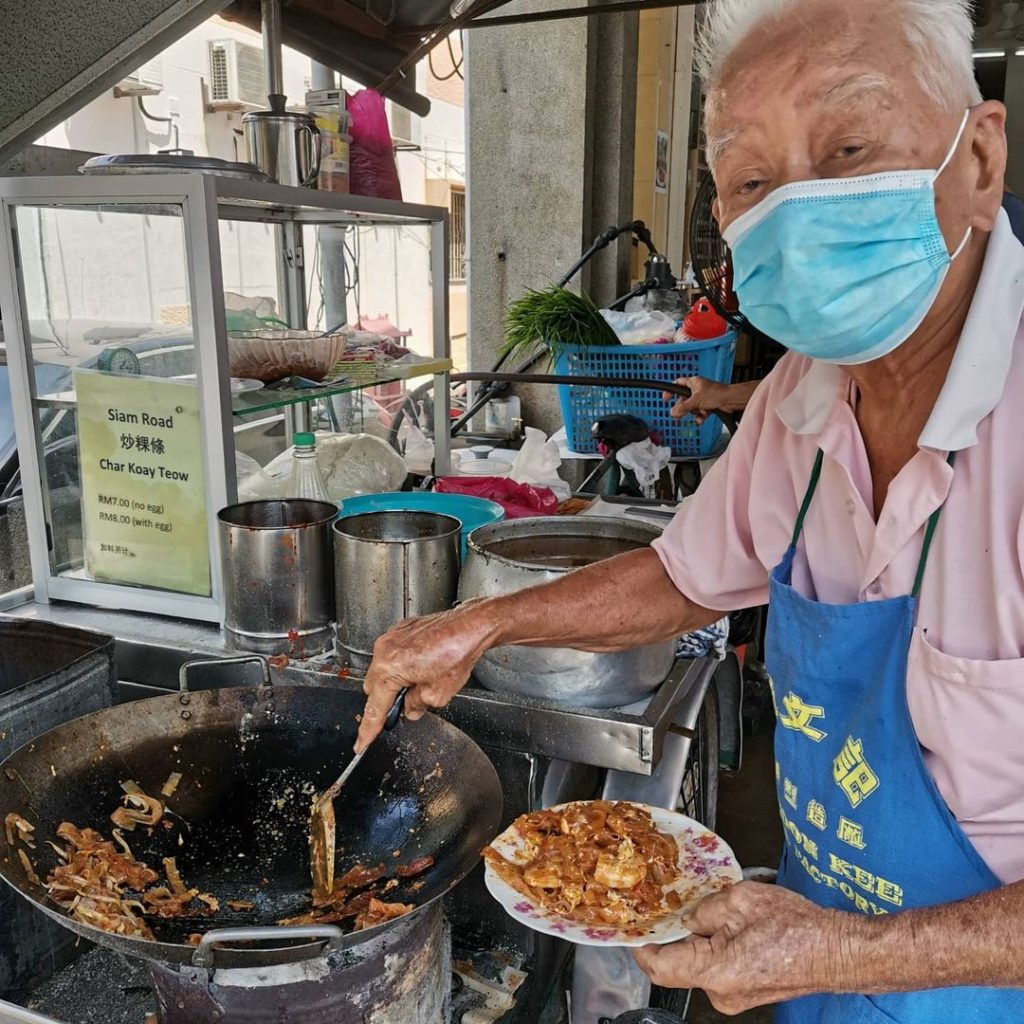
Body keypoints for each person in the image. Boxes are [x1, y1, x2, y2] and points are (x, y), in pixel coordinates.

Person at [357, 0, 1024, 1018]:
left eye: (848, 145)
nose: (797, 214)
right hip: (821, 971)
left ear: (979, 159)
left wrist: (851, 951)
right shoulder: (801, 397)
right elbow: (681, 576)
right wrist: (481, 622)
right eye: (753, 182)